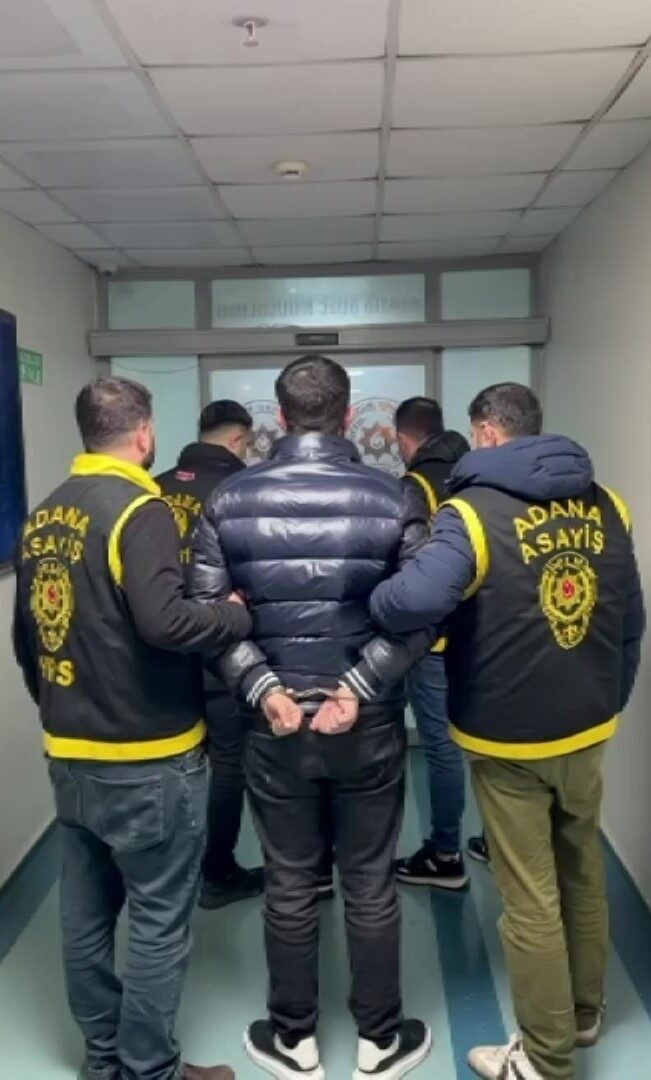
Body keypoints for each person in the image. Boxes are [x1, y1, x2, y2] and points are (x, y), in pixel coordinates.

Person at [370, 383, 645, 1080]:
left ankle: (545, 1060)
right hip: (588, 725)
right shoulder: (608, 504)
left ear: (487, 433)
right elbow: (630, 619)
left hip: (509, 736)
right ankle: (584, 1014)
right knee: (581, 868)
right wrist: (610, 699)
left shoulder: (470, 512)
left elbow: (412, 601)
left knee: (529, 899)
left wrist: (375, 592)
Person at [190, 356, 433, 1080]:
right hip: (370, 723)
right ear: (349, 415)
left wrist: (261, 685)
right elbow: (423, 615)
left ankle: (293, 1039)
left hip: (274, 726)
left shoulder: (228, 500)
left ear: (279, 418)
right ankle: (380, 1041)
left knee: (290, 881)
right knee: (369, 881)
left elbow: (208, 619)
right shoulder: (394, 496)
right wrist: (357, 685)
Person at [13, 377, 252, 1080]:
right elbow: (166, 621)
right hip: (148, 756)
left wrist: (60, 709)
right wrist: (234, 614)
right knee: (156, 921)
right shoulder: (138, 510)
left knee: (84, 915)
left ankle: (103, 1060)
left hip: (69, 752)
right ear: (143, 433)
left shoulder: (45, 513)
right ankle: (149, 1068)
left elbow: (27, 638)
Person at [157, 399, 264, 909]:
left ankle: (167, 869)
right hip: (224, 645)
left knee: (170, 761)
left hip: (161, 650)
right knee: (228, 763)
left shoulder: (153, 488)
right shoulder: (244, 489)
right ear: (238, 439)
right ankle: (217, 872)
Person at [393, 396, 470, 890]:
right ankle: (459, 846)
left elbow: (412, 573)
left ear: (403, 439)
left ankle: (445, 856)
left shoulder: (414, 485)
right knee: (457, 746)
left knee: (433, 746)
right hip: (476, 633)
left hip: (429, 640)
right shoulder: (472, 477)